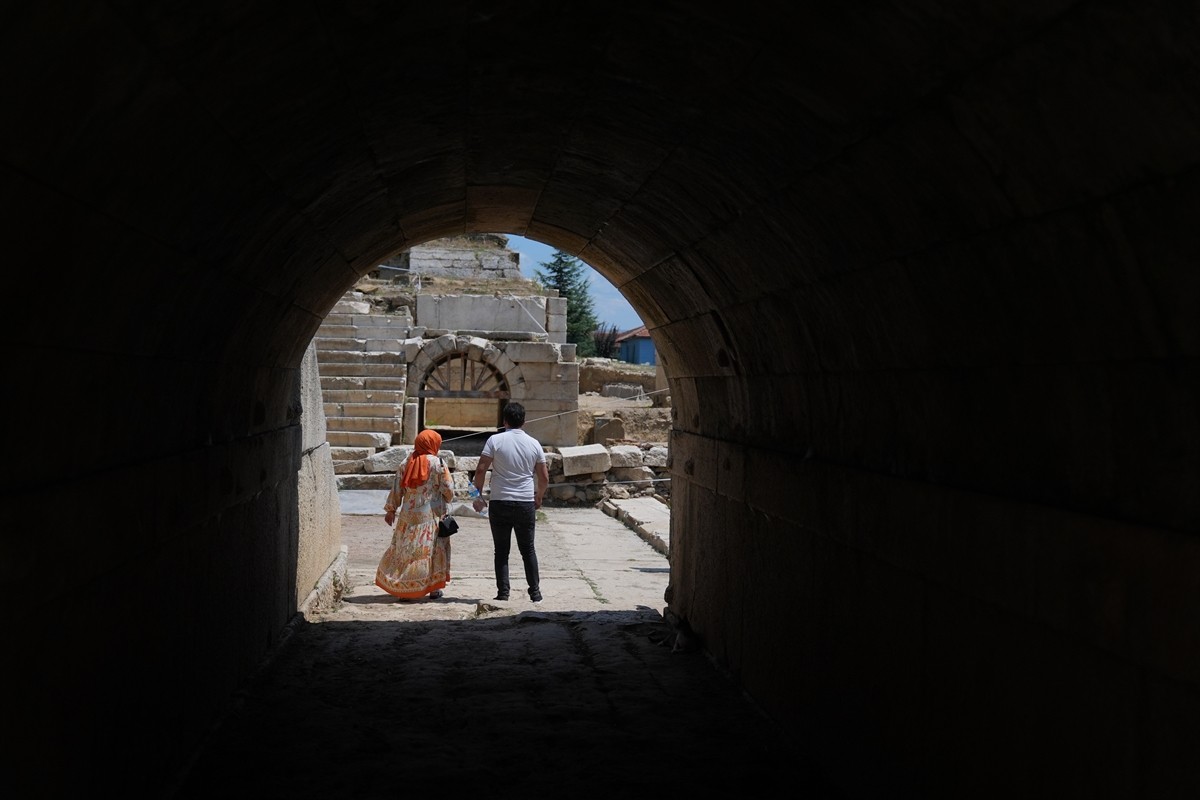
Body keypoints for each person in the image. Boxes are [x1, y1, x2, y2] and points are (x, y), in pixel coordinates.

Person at [472, 401, 549, 602]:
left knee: (501, 550)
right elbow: (544, 477)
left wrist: (477, 496)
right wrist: (538, 496)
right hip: (525, 501)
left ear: (504, 420)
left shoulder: (494, 440)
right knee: (528, 549)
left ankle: (503, 593)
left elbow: (481, 469)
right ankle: (535, 592)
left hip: (500, 501)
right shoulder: (534, 444)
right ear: (524, 421)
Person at [376, 428, 455, 600]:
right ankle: (433, 589)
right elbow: (448, 490)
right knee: (431, 551)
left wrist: (391, 509)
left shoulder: (406, 462)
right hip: (431, 517)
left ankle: (406, 590)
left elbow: (397, 488)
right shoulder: (438, 463)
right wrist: (445, 496)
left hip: (407, 518)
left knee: (406, 552)